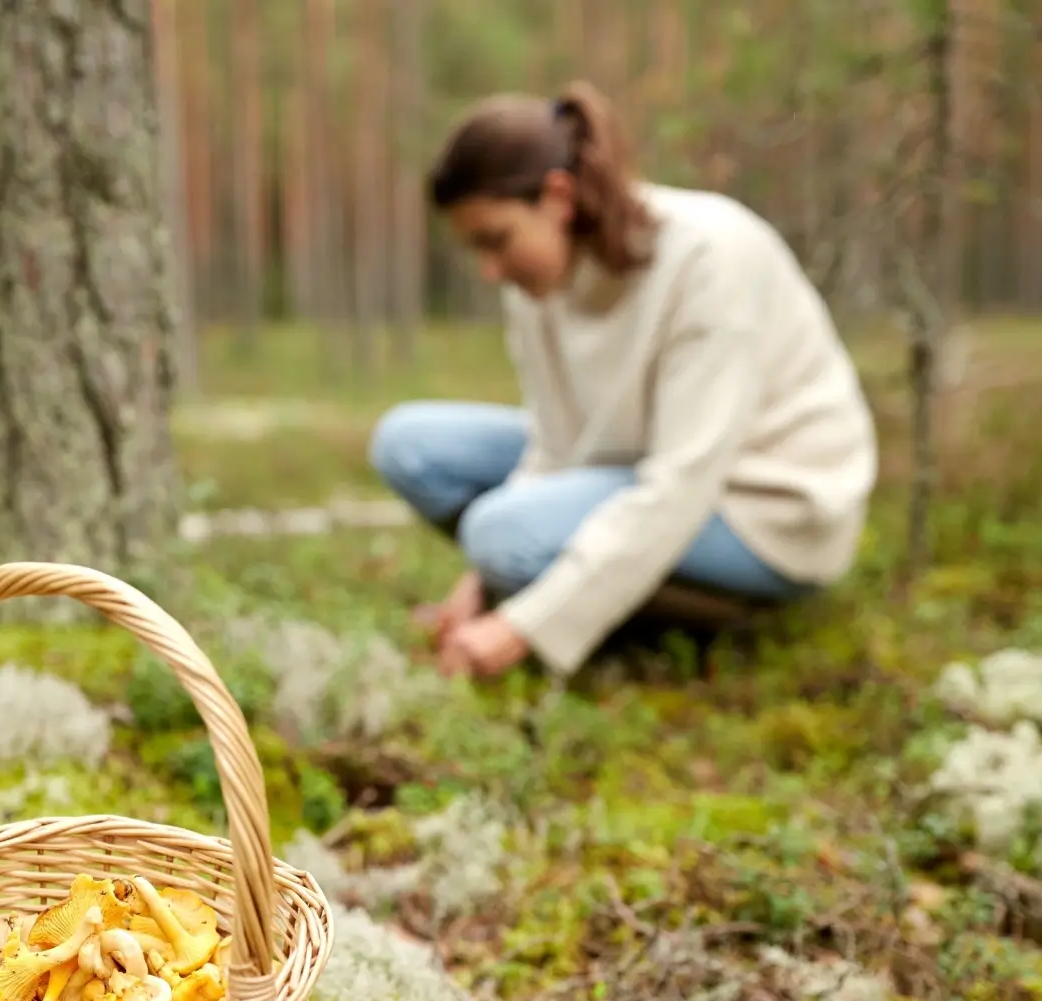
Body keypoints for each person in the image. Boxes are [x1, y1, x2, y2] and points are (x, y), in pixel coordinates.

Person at [369, 81, 879, 682]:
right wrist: (479, 586)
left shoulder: (708, 258)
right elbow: (554, 448)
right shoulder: (537, 280)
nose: (489, 270)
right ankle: (580, 592)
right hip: (634, 471)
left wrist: (520, 627)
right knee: (409, 445)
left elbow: (683, 481)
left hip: (765, 512)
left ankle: (655, 620)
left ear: (557, 197)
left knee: (499, 531)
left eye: (496, 240)